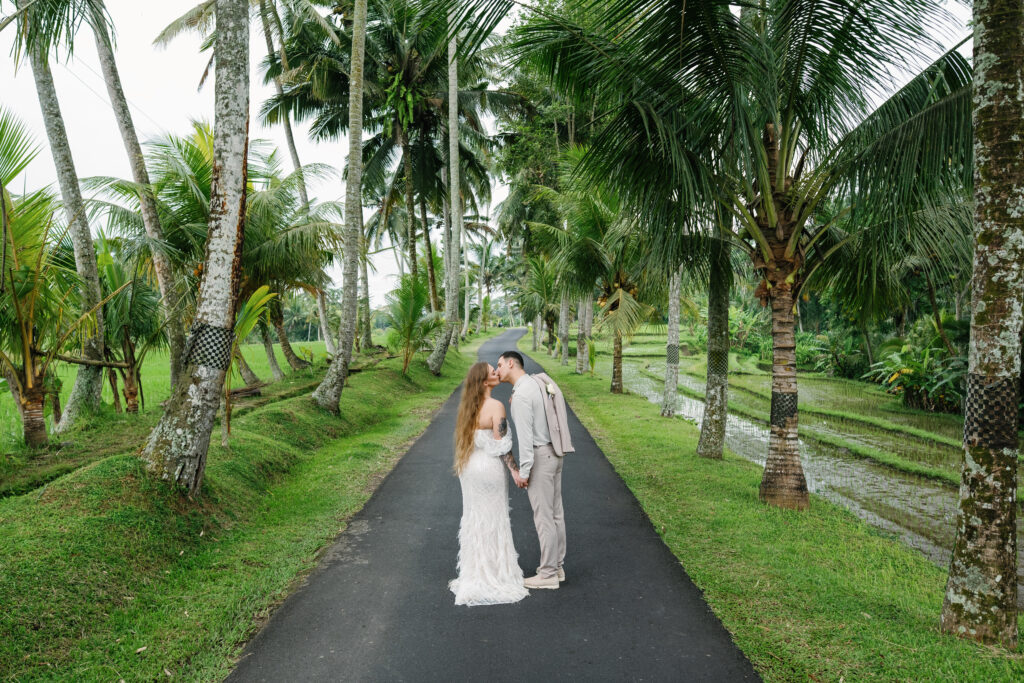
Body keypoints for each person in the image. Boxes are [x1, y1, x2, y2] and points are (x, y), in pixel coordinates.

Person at [448, 362, 530, 606]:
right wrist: (516, 471)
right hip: (489, 468)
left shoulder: (467, 407)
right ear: (485, 382)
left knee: (474, 517)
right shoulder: (496, 406)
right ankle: (495, 574)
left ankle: (475, 573)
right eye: (492, 371)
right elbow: (501, 446)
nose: (497, 371)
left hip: (470, 468)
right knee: (494, 517)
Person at [496, 350, 569, 590]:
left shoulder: (521, 395)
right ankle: (557, 567)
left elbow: (525, 442)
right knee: (556, 514)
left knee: (544, 517)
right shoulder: (536, 383)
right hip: (555, 453)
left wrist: (524, 473)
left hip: (540, 457)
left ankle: (547, 573)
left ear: (510, 363)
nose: (497, 370)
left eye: (499, 365)